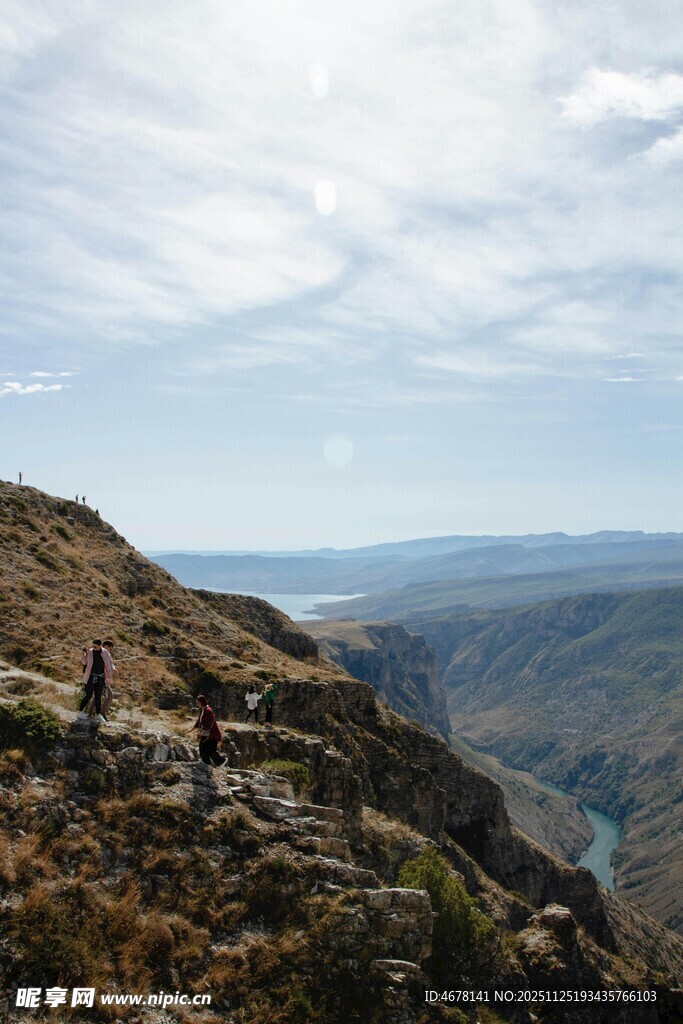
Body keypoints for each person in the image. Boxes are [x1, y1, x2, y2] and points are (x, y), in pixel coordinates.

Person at [79, 639, 113, 721]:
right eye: (93, 646)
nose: (93, 648)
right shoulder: (89, 652)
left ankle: (98, 714)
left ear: (100, 645)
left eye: (95, 646)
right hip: (91, 676)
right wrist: (83, 654)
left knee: (98, 696)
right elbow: (84, 662)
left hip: (101, 677)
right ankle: (80, 712)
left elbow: (109, 663)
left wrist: (112, 671)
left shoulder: (105, 653)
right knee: (88, 694)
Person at [187, 695, 226, 766]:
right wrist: (191, 730)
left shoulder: (208, 711)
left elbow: (209, 724)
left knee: (206, 750)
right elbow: (199, 721)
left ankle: (216, 763)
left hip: (212, 734)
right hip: (206, 734)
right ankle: (211, 763)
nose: (197, 704)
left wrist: (201, 732)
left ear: (202, 702)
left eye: (198, 702)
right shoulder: (202, 710)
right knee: (205, 750)